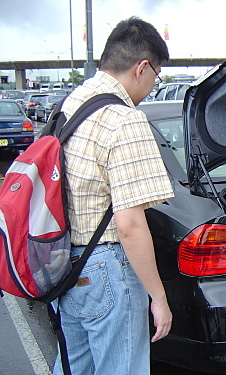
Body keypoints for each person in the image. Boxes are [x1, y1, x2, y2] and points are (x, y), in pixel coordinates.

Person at [52, 17, 174, 374]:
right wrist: (159, 298)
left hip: (65, 263)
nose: (153, 85)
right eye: (157, 75)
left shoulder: (72, 102)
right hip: (106, 269)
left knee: (73, 367)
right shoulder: (125, 119)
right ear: (142, 68)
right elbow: (130, 226)